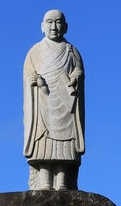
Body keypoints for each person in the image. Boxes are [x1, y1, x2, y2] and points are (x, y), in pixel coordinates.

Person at [23, 10, 85, 190]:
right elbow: (28, 73)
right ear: (42, 27)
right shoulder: (35, 51)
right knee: (43, 140)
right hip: (43, 100)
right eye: (49, 22)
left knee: (65, 142)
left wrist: (75, 77)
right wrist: (32, 80)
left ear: (65, 27)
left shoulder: (71, 51)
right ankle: (44, 182)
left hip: (65, 102)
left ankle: (62, 182)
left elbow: (78, 70)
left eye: (58, 22)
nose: (54, 26)